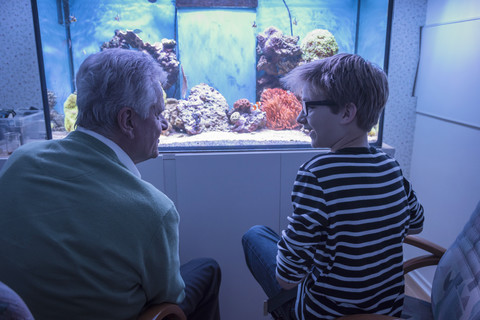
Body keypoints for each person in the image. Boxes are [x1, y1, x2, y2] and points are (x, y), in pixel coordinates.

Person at [0, 48, 221, 320]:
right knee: (208, 269)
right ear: (127, 120)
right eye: (157, 113)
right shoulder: (154, 211)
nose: (163, 125)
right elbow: (170, 299)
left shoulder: (21, 160)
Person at [242, 53, 424, 320]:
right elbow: (416, 224)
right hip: (387, 313)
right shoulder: (391, 166)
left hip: (327, 314)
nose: (301, 119)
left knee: (254, 235)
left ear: (348, 112)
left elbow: (286, 277)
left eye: (310, 107)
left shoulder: (316, 174)